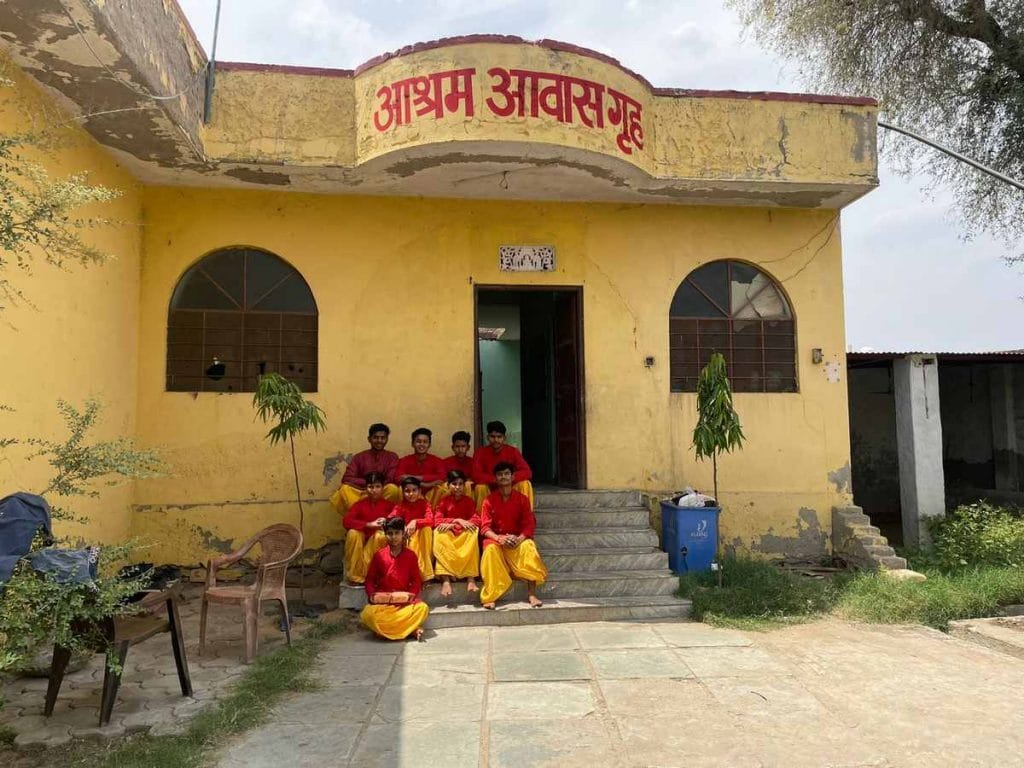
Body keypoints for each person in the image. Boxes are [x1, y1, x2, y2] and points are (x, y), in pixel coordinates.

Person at [479, 462, 547, 609]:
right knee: (490, 551)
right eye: (500, 474)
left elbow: (529, 524)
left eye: (506, 474)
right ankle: (491, 595)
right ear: (495, 479)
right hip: (496, 540)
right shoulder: (488, 500)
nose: (503, 477)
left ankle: (531, 594)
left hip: (517, 539)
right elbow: (484, 527)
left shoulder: (522, 499)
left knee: (529, 546)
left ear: (512, 477)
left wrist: (520, 538)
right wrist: (498, 538)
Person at [360, 516, 428, 641]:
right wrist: (372, 595)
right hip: (383, 603)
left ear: (403, 534)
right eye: (390, 533)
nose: (394, 537)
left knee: (422, 608)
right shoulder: (379, 555)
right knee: (368, 614)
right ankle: (410, 630)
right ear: (385, 535)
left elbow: (416, 580)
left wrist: (410, 596)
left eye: (397, 533)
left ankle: (385, 632)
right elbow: (370, 580)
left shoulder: (411, 555)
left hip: (404, 603)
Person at [330, 423, 401, 513]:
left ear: (387, 439)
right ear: (369, 439)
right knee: (345, 489)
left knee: (392, 489)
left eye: (383, 438)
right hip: (361, 492)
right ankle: (360, 514)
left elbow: (390, 478)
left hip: (382, 492)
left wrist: (375, 487)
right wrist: (368, 487)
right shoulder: (359, 457)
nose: (379, 440)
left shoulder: (392, 457)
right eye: (375, 437)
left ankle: (381, 514)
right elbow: (347, 478)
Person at [431, 469, 480, 597]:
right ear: (448, 485)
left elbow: (476, 519)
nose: (457, 487)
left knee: (473, 532)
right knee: (438, 533)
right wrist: (456, 521)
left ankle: (471, 578)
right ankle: (445, 579)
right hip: (449, 533)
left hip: (463, 534)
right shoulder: (443, 501)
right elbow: (437, 520)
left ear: (464, 486)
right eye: (454, 484)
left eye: (460, 484)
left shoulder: (469, 501)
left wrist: (461, 524)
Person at [340, 471, 393, 585]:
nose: (374, 490)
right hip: (361, 542)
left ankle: (369, 574)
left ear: (383, 488)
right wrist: (368, 524)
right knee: (353, 533)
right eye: (370, 487)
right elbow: (346, 521)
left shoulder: (389, 505)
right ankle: (355, 576)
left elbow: (397, 521)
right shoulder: (359, 505)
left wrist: (387, 522)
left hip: (377, 542)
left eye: (377, 486)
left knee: (381, 536)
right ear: (366, 488)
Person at [472, 420, 533, 509]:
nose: (496, 440)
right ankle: (482, 520)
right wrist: (496, 480)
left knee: (525, 483)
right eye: (492, 437)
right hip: (490, 488)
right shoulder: (480, 453)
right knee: (480, 487)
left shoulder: (513, 451)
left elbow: (527, 472)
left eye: (499, 437)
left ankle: (526, 516)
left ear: (504, 438)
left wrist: (508, 479)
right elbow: (475, 475)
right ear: (487, 437)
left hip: (509, 487)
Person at [391, 476, 434, 581]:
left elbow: (431, 520)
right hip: (407, 538)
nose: (411, 494)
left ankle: (426, 575)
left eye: (414, 490)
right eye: (407, 491)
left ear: (419, 491)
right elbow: (391, 519)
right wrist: (402, 525)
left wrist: (415, 521)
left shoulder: (424, 504)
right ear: (402, 492)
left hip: (422, 539)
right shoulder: (400, 506)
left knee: (427, 530)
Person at [395, 427, 448, 506]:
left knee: (442, 488)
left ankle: (433, 514)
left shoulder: (437, 460)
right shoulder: (405, 460)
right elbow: (398, 478)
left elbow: (442, 477)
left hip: (431, 495)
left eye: (425, 442)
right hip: (411, 493)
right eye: (418, 441)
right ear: (412, 444)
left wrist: (414, 478)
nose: (422, 444)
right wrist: (426, 483)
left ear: (429, 444)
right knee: (399, 489)